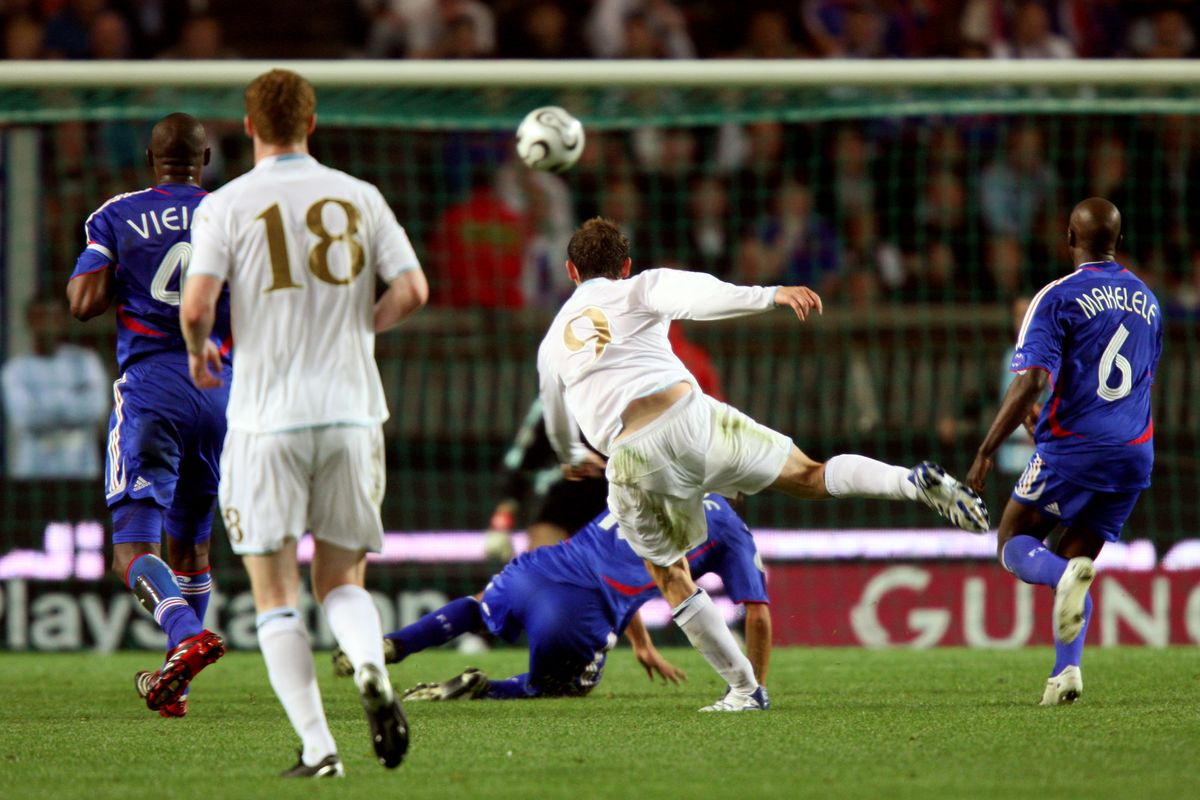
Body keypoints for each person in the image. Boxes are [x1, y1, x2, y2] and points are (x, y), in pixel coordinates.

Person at [538, 218, 989, 713]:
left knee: (670, 575)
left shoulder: (553, 342)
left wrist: (570, 456)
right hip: (694, 416)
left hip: (633, 456)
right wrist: (771, 294)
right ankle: (909, 483)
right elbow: (701, 294)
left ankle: (745, 690)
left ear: (570, 272)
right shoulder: (641, 286)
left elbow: (557, 420)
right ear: (625, 266)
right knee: (811, 475)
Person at [180, 69, 429, 777]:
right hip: (353, 411)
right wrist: (364, 332)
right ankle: (371, 673)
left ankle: (321, 749)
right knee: (343, 581)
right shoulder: (360, 196)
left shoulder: (226, 204)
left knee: (274, 593)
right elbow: (413, 289)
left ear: (249, 127)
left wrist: (200, 357)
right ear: (311, 124)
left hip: (267, 416)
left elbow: (196, 308)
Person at [967, 198, 1162, 706]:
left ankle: (1062, 578)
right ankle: (1066, 673)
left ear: (1068, 238)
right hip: (1134, 455)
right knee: (1077, 556)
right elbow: (1134, 380)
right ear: (1118, 242)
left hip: (1074, 448)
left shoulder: (1057, 295)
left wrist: (988, 449)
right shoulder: (1148, 300)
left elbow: (1032, 378)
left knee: (1013, 540)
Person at [65, 113, 229, 718]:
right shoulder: (233, 212)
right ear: (205, 158)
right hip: (218, 388)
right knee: (192, 548)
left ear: (149, 158)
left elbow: (82, 303)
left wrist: (121, 272)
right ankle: (175, 686)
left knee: (133, 549)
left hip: (152, 386)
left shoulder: (116, 213)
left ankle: (185, 633)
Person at [334, 494, 768, 703]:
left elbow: (624, 557)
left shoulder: (649, 483)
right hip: (576, 610)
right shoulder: (730, 526)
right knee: (557, 689)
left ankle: (393, 644)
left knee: (477, 606)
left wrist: (641, 643)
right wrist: (756, 688)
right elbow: (758, 615)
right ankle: (479, 690)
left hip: (537, 568)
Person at [2, 296, 109, 480]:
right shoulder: (16, 369)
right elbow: (25, 417)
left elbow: (95, 408)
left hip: (82, 470)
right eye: (42, 317)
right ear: (30, 321)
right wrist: (72, 398)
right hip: (33, 471)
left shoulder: (85, 361)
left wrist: (42, 402)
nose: (48, 325)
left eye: (55, 317)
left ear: (63, 321)